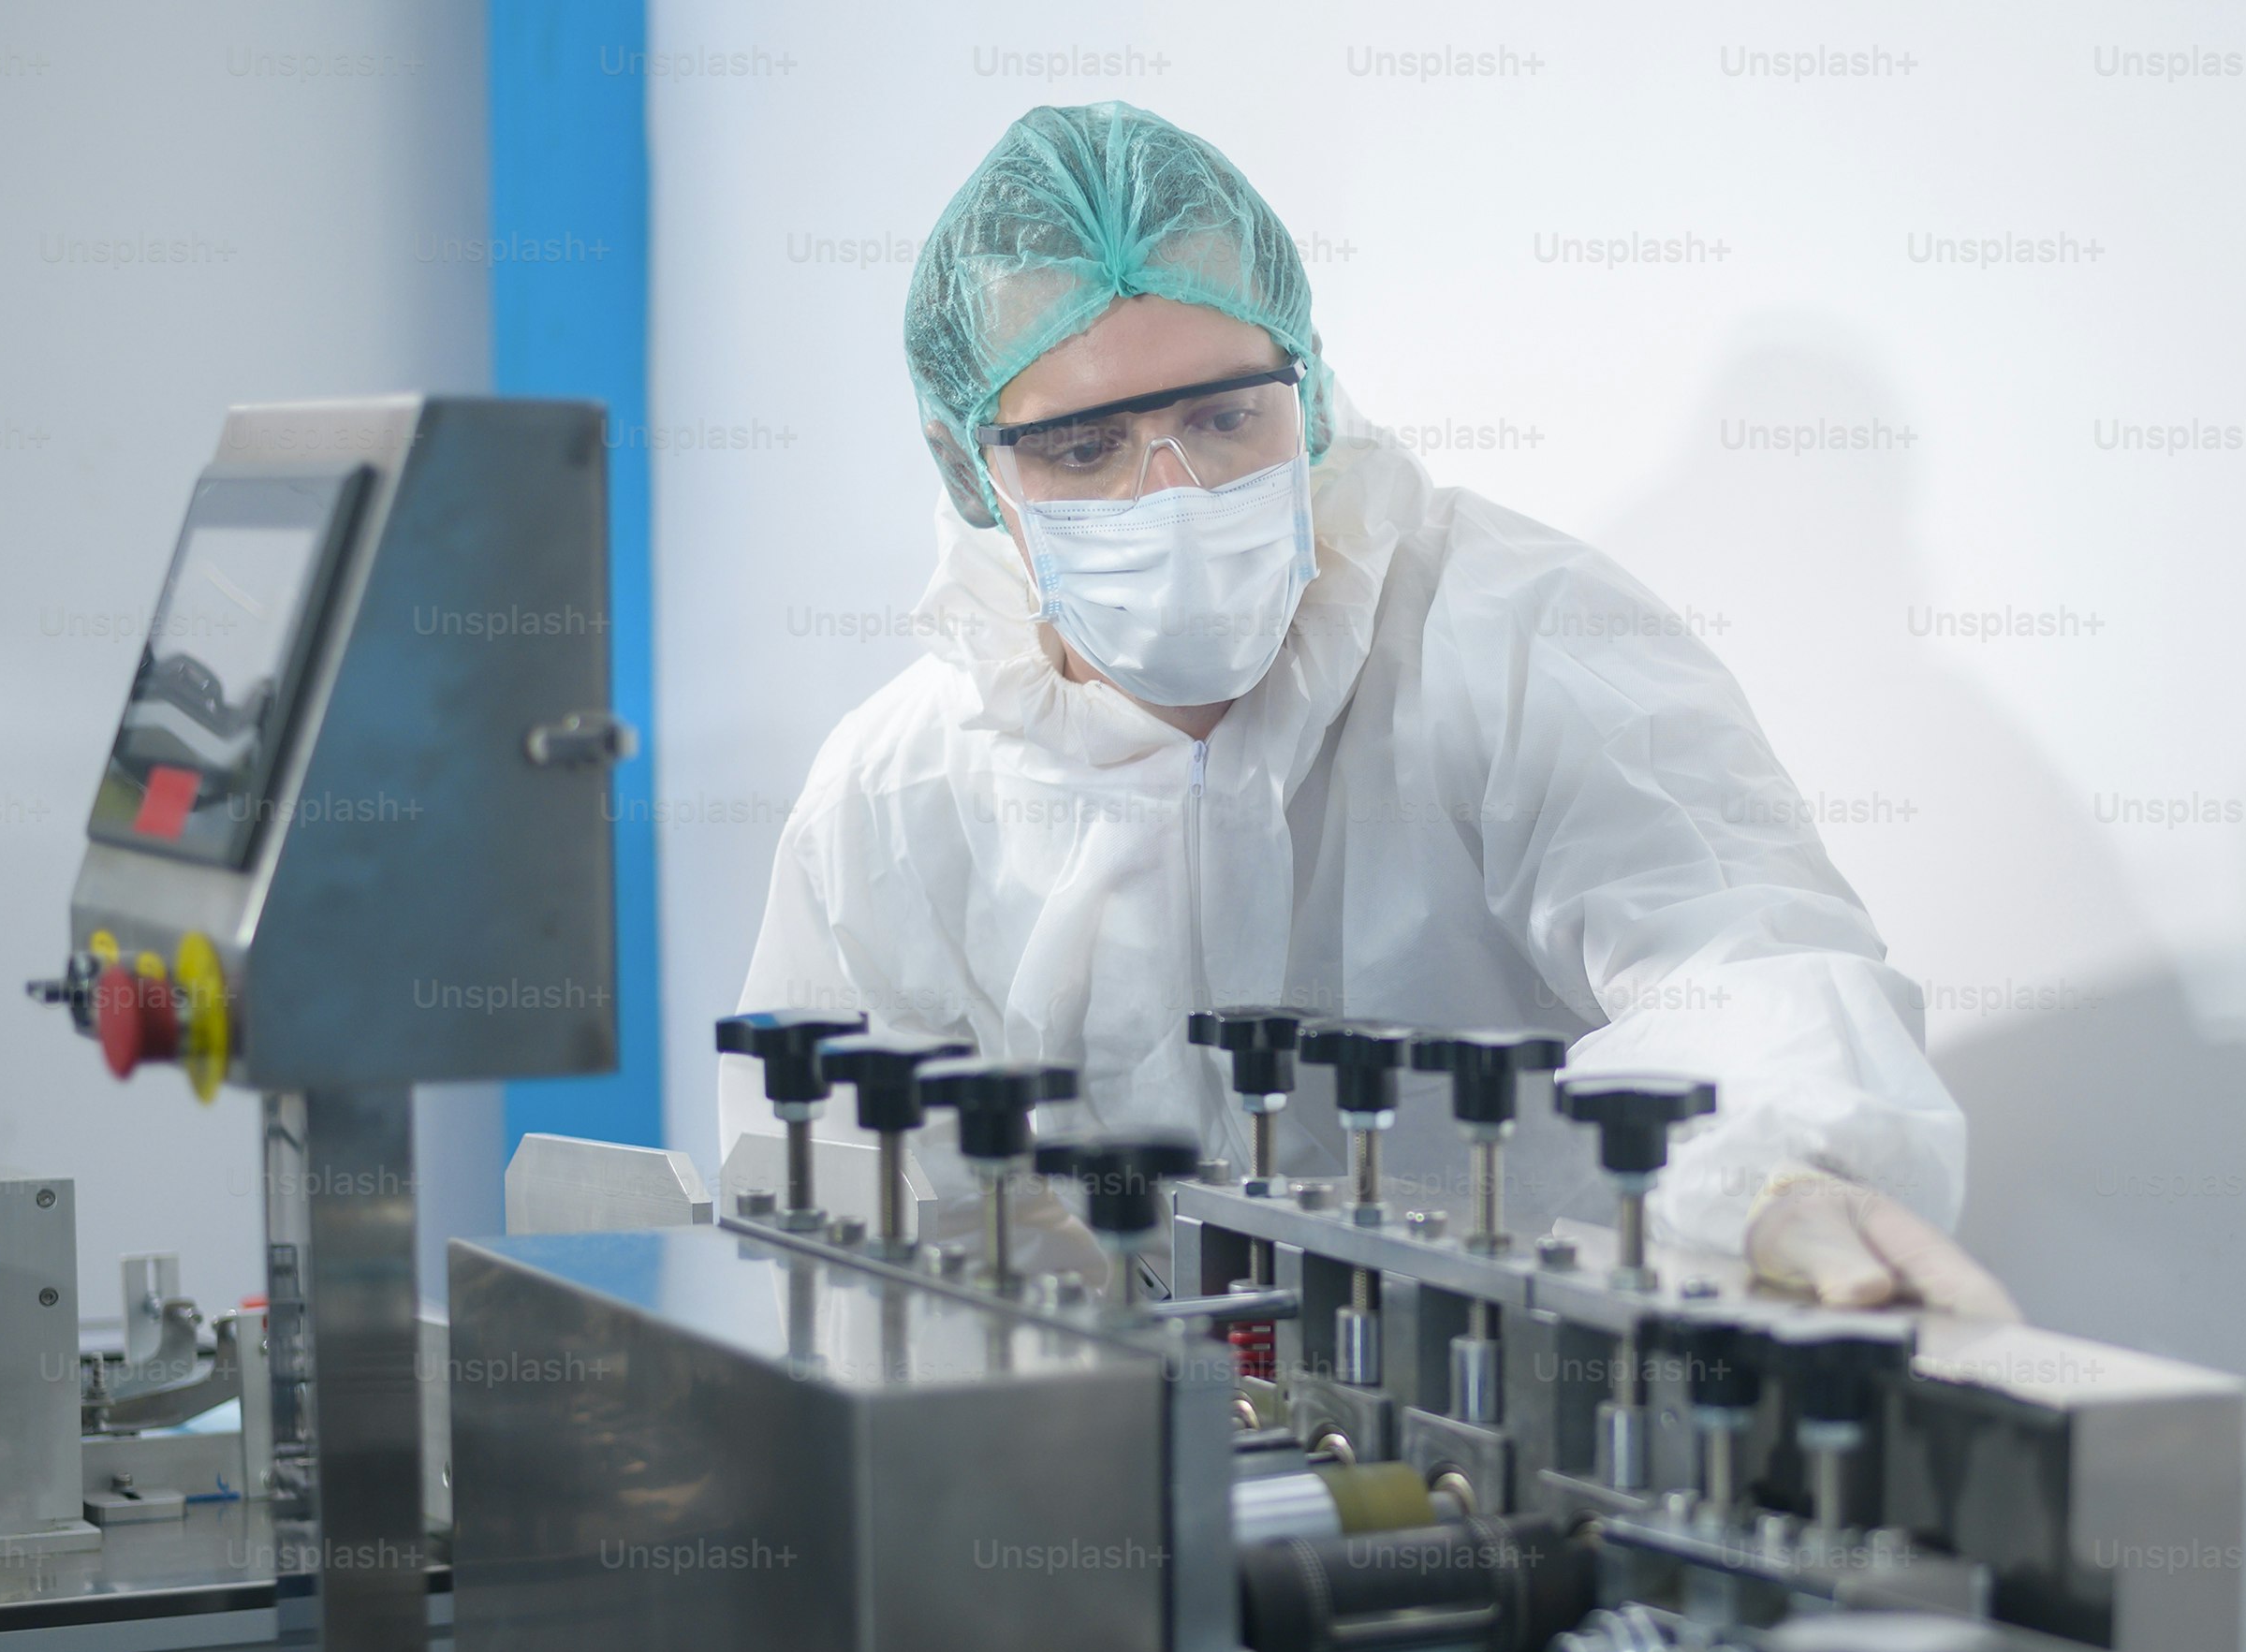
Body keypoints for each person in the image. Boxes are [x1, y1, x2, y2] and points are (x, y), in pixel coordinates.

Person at [726, 101, 2012, 1317]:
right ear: (971, 471)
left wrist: (1780, 1169)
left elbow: (1737, 952)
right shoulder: (896, 800)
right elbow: (837, 1217)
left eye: (1226, 417)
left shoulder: (1510, 636)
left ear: (1309, 389)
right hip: (1094, 1480)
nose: (1171, 492)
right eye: (1084, 448)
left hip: (1534, 1451)